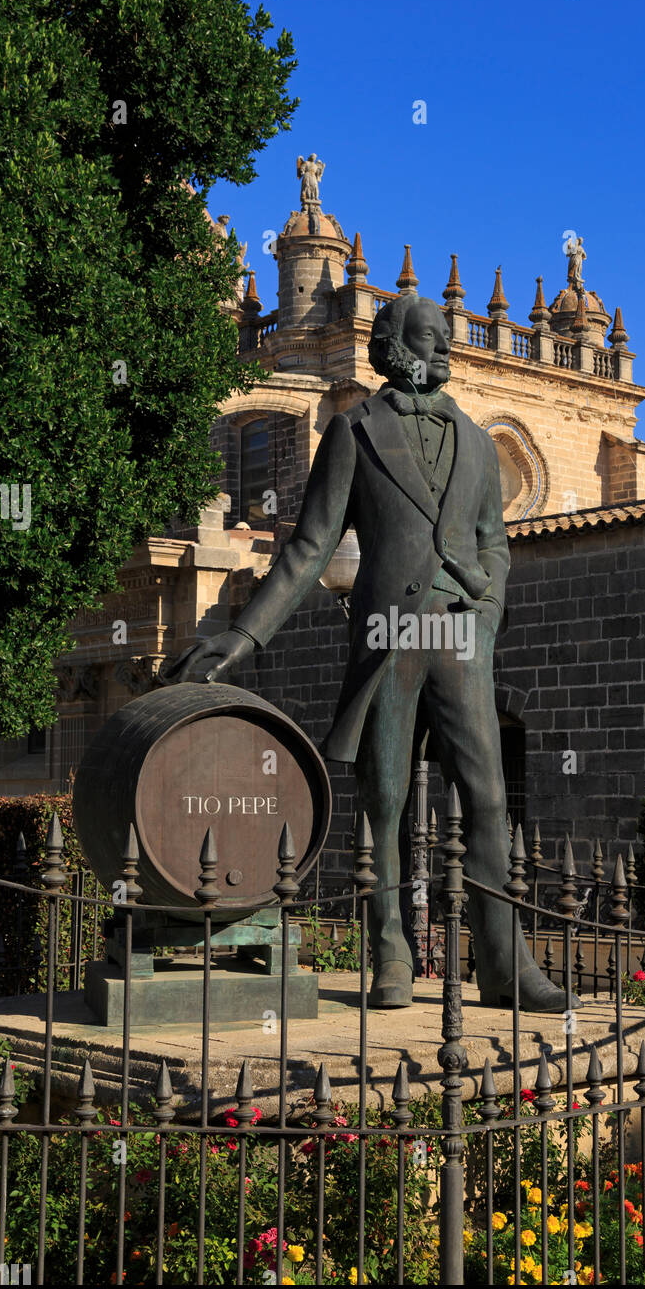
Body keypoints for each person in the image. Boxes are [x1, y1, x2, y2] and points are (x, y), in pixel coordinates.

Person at [169, 294, 573, 1013]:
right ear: (391, 348)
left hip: (459, 635)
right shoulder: (354, 432)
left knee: (486, 797)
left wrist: (487, 613)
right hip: (389, 636)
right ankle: (390, 954)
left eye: (448, 340)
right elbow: (307, 549)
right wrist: (240, 635)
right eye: (428, 339)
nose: (443, 350)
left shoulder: (480, 443)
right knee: (384, 803)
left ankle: (506, 966)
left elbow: (494, 542)